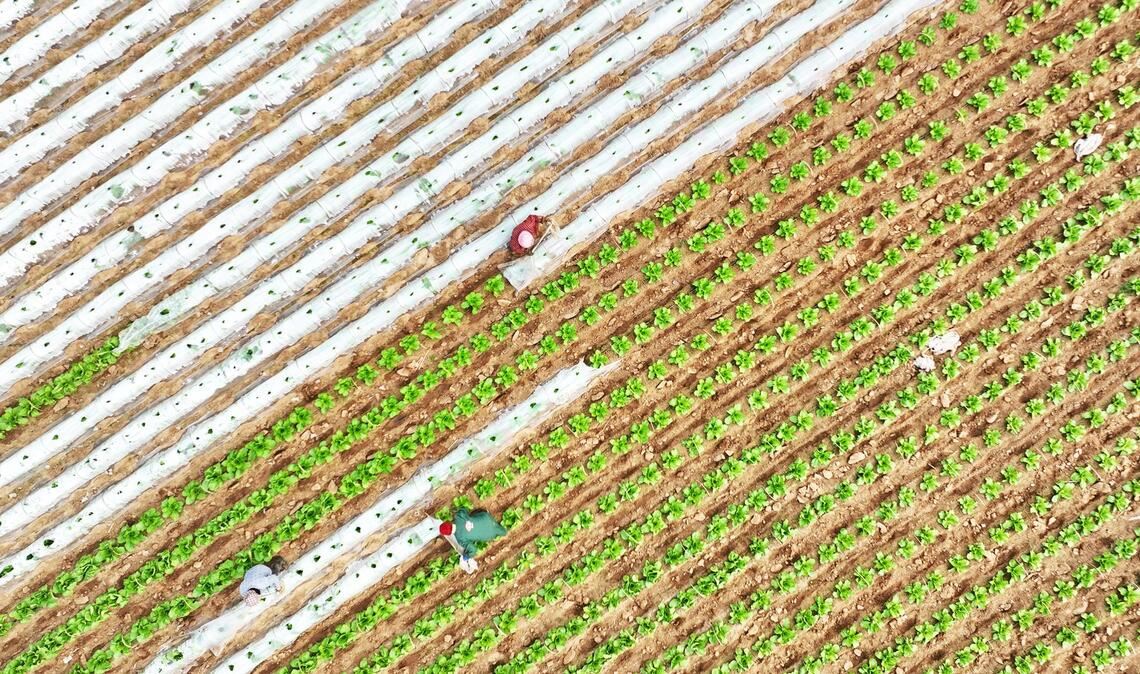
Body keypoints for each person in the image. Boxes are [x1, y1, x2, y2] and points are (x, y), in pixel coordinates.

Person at [439, 508, 507, 574]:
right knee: (472, 515)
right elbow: (464, 509)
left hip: (489, 534)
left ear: (449, 534)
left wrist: (466, 556)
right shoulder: (459, 516)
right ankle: (493, 522)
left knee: (500, 532)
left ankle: (502, 531)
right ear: (448, 522)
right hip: (485, 517)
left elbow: (473, 550)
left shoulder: (460, 538)